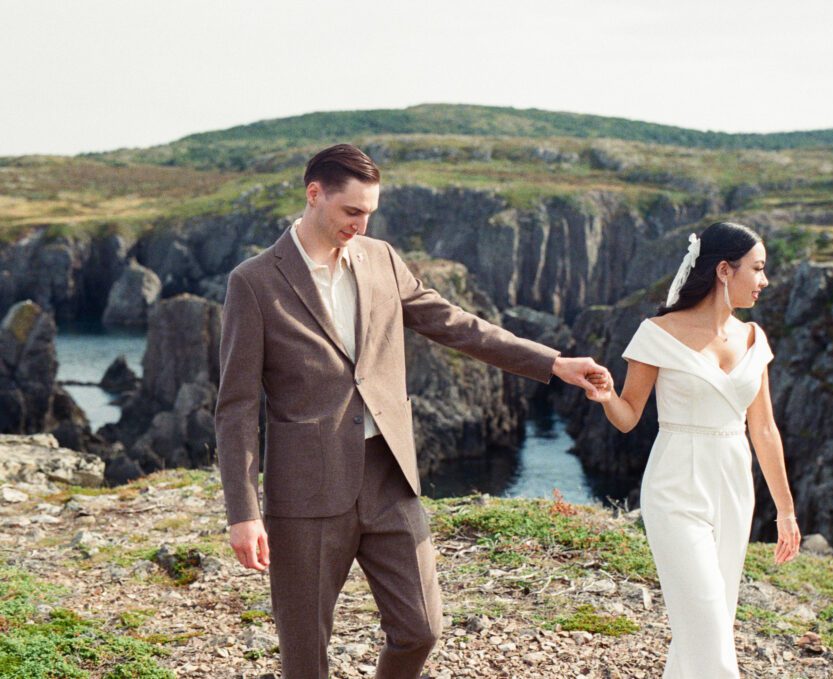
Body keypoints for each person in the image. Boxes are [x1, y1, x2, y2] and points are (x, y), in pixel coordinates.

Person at [215, 143, 609, 679]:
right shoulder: (254, 281)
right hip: (306, 491)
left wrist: (553, 363)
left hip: (389, 476)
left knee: (421, 628)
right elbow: (236, 408)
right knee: (305, 656)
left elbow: (458, 325)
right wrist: (243, 511)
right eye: (351, 211)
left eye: (369, 213)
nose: (361, 223)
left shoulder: (381, 259)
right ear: (314, 195)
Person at [585, 222, 800, 678]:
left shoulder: (753, 338)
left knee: (709, 624)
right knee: (708, 633)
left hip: (734, 489)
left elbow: (763, 430)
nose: (764, 281)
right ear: (724, 270)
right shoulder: (656, 333)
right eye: (757, 269)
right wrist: (606, 397)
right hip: (675, 488)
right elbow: (628, 417)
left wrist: (785, 511)